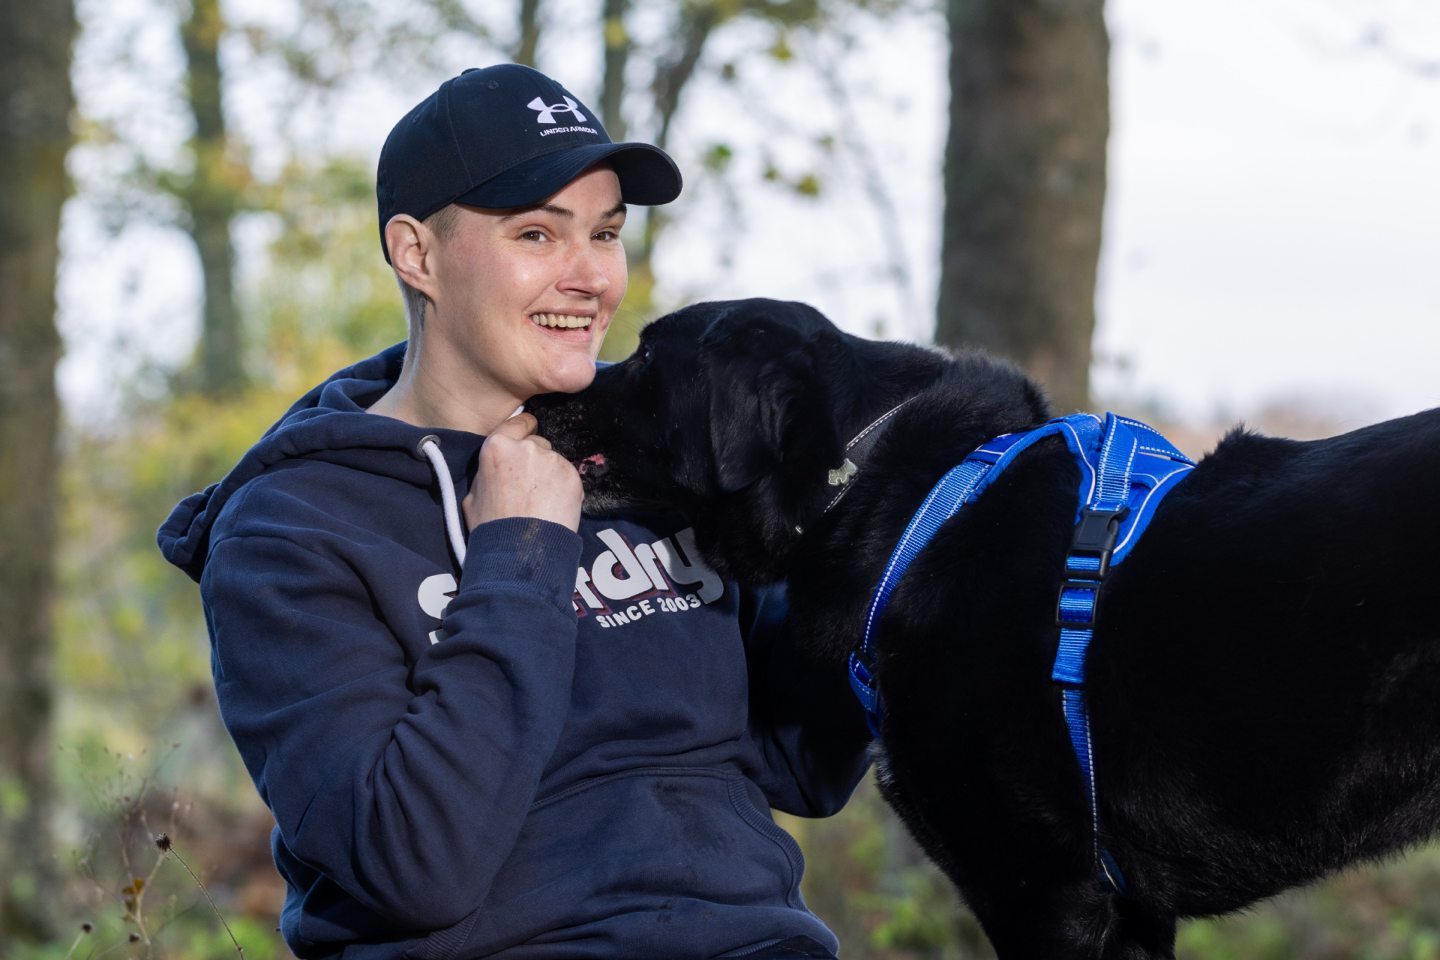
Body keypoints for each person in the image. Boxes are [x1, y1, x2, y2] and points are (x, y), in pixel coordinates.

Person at [158, 64, 871, 960]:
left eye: (605, 234)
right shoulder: (289, 531)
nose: (591, 279)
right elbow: (417, 864)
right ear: (417, 253)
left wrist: (875, 574)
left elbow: (796, 763)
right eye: (538, 233)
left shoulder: (664, 452)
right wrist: (519, 551)